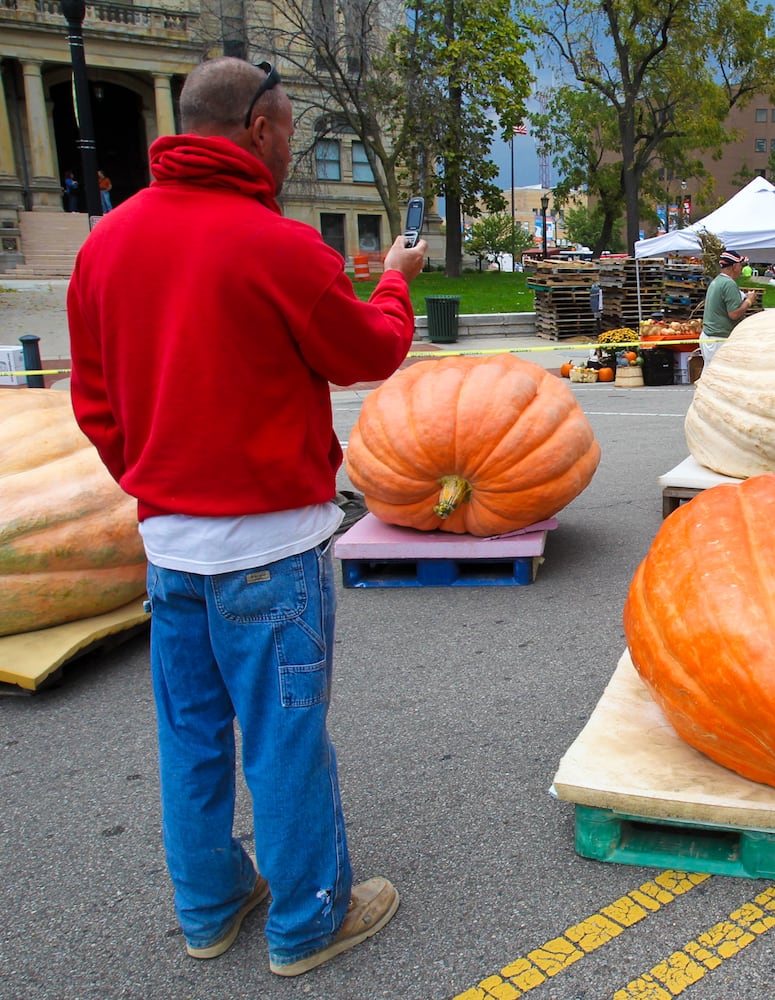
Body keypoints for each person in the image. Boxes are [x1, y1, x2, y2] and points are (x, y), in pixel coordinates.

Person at [67, 57, 425, 978]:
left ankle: (212, 906)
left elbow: (94, 400)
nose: (291, 143)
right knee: (284, 739)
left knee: (191, 740)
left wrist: (152, 482)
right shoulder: (280, 247)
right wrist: (393, 280)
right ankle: (310, 921)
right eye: (290, 127)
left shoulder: (105, 246)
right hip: (272, 547)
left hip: (169, 548)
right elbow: (372, 351)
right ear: (260, 128)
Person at [701, 248, 757, 366]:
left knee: (710, 373)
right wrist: (749, 301)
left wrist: (743, 296)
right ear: (734, 266)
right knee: (718, 375)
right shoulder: (729, 284)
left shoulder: (717, 281)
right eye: (740, 265)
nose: (741, 268)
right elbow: (734, 314)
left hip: (710, 337)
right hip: (719, 339)